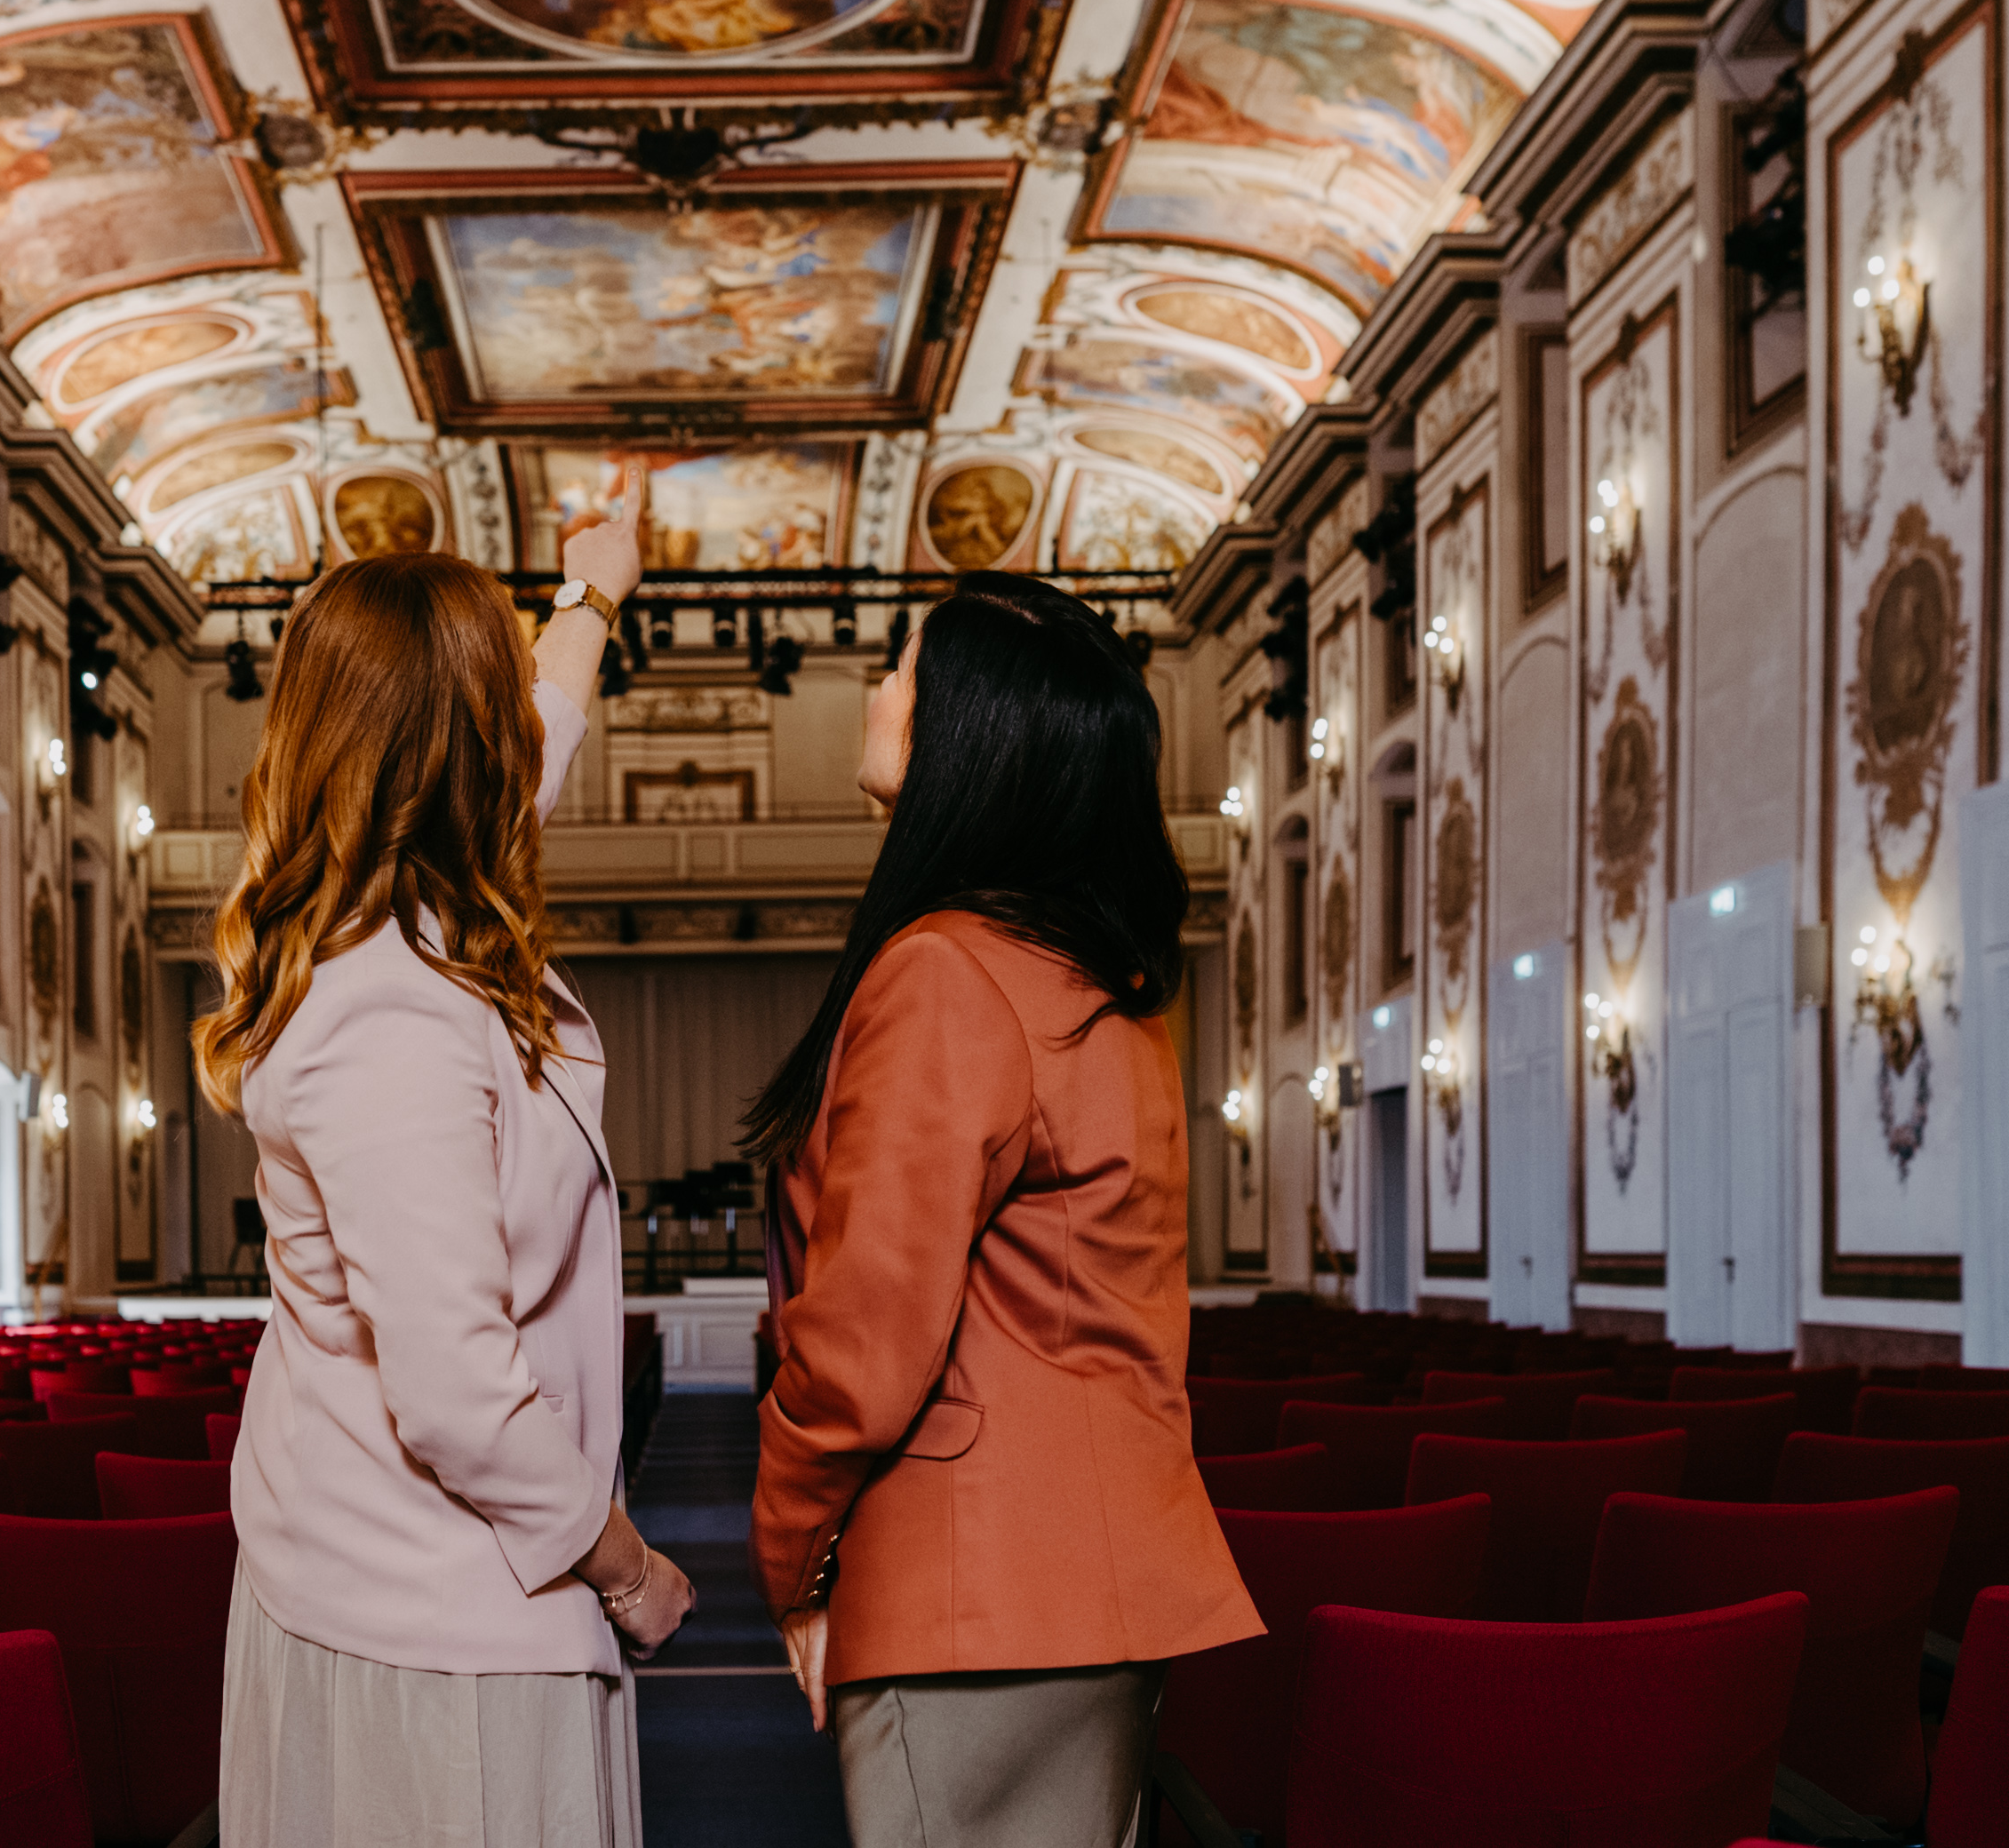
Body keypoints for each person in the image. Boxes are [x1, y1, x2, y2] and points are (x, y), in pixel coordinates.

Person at [198, 514, 693, 1848]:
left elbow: (547, 729)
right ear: (470, 746)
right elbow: (458, 1391)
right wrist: (629, 1568)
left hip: (436, 1591)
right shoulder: (386, 1006)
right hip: (433, 1629)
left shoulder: (404, 919)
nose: (530, 731)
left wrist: (592, 591)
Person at [747, 573, 1261, 1846]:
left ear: (966, 730)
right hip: (1100, 1584)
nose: (876, 689)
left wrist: (791, 1555)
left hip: (977, 1596)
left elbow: (862, 1351)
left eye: (901, 666)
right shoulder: (1101, 987)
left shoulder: (945, 971)